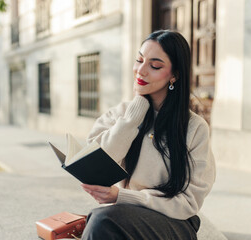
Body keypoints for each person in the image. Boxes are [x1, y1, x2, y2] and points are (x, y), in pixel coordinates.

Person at [80, 30, 216, 240]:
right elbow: (96, 163)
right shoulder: (121, 114)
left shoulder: (195, 128)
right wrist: (134, 115)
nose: (140, 71)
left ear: (174, 75)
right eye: (139, 60)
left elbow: (188, 202)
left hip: (174, 222)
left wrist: (122, 196)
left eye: (155, 65)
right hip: (124, 216)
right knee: (100, 221)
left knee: (101, 221)